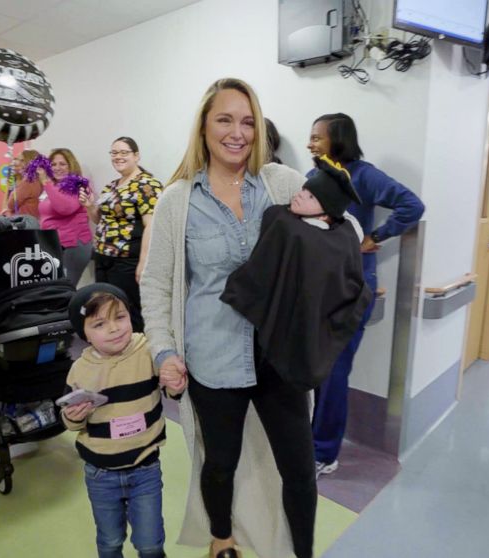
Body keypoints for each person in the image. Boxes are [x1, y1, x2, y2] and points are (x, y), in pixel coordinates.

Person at [140, 78, 316, 558]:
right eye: (225, 119)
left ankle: (303, 551)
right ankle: (222, 538)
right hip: (213, 356)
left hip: (280, 357)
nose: (237, 132)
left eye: (247, 121)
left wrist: (326, 213)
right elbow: (157, 283)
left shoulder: (281, 183)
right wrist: (164, 349)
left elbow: (346, 225)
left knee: (299, 467)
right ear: (204, 126)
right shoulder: (178, 199)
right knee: (220, 461)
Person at [306, 112, 425, 476]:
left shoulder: (364, 175)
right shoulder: (314, 177)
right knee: (315, 371)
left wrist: (377, 237)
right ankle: (312, 442)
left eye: (317, 137)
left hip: (350, 288)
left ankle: (324, 453)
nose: (310, 143)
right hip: (319, 287)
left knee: (332, 372)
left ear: (338, 139)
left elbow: (412, 205)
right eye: (310, 137)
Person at [221, 156, 371, 392]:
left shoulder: (335, 238)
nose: (300, 195)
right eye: (304, 190)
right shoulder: (284, 221)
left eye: (311, 197)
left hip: (315, 320)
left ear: (325, 215)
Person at [63, 283, 182, 558]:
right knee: (110, 541)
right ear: (85, 334)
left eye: (120, 317)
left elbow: (171, 390)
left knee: (151, 544)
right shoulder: (79, 370)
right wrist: (73, 417)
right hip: (100, 473)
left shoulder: (147, 350)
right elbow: (71, 420)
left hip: (145, 468)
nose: (114, 328)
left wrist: (174, 381)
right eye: (100, 324)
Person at [80, 137, 162, 329]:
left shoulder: (147, 185)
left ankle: (139, 352)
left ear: (136, 156)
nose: (118, 157)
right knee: (108, 308)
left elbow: (152, 225)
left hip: (127, 260)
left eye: (124, 152)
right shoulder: (112, 186)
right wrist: (90, 206)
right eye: (114, 153)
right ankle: (116, 349)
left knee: (130, 309)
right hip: (103, 258)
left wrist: (143, 263)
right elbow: (101, 220)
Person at [39, 147, 91, 287]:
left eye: (62, 164)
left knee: (64, 289)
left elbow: (65, 208)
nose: (57, 168)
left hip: (73, 246)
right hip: (55, 245)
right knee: (54, 289)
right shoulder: (54, 187)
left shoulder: (79, 185)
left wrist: (46, 182)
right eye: (54, 164)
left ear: (71, 165)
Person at [1, 149, 43, 218]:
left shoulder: (28, 181)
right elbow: (5, 205)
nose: (16, 163)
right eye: (16, 159)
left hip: (22, 221)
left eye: (22, 160)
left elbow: (10, 204)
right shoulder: (14, 180)